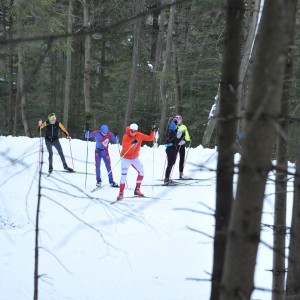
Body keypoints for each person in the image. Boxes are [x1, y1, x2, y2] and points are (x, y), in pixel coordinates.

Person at [117, 123, 157, 200]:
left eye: (134, 131)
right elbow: (124, 147)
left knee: (141, 171)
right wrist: (131, 142)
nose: (132, 133)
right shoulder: (126, 136)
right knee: (123, 176)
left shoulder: (139, 135)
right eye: (131, 131)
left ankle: (137, 190)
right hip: (125, 158)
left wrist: (152, 131)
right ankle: (121, 193)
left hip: (134, 158)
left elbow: (150, 138)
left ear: (136, 131)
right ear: (130, 130)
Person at [174, 114, 191, 179]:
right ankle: (168, 175)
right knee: (173, 160)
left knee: (182, 159)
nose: (179, 120)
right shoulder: (174, 126)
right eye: (177, 119)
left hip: (182, 145)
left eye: (180, 119)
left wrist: (189, 138)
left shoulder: (184, 126)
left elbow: (186, 137)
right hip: (175, 145)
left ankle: (181, 174)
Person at [164, 118, 179, 185]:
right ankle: (166, 179)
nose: (176, 126)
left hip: (170, 149)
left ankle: (167, 178)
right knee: (170, 164)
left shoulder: (169, 130)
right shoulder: (172, 131)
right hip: (172, 149)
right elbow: (176, 141)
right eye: (176, 125)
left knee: (171, 164)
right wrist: (182, 136)